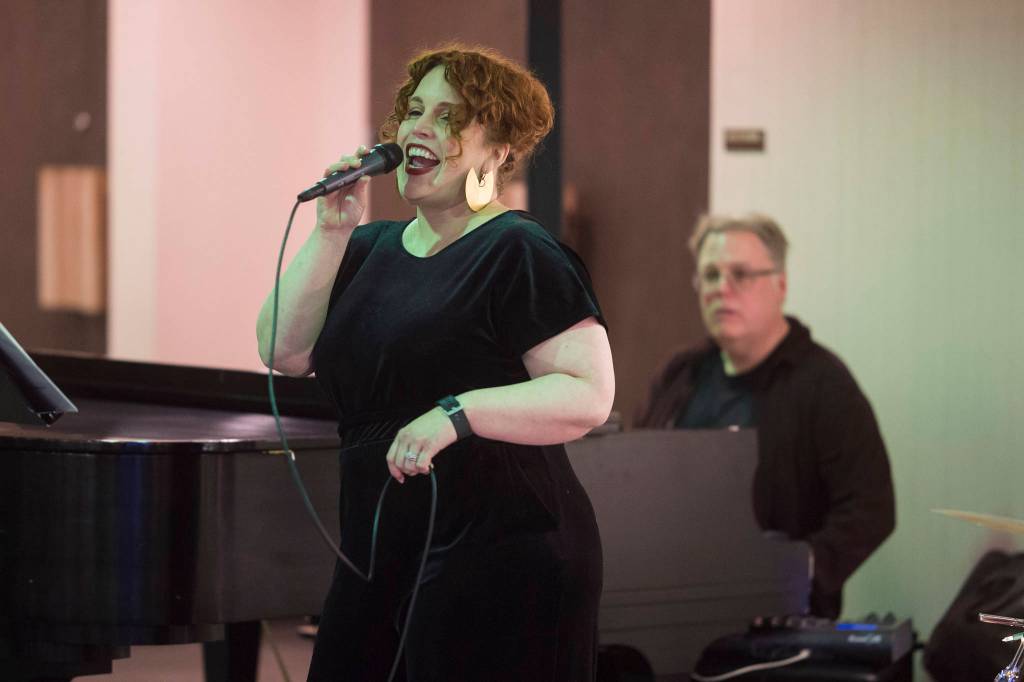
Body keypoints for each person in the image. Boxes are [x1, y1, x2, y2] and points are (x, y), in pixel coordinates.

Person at [257, 44, 614, 681]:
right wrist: (330, 232)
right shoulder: (366, 249)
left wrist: (457, 413)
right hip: (379, 541)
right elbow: (283, 351)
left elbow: (588, 394)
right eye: (414, 111)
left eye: (450, 118)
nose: (418, 129)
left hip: (501, 544)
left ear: (499, 150)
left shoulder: (518, 249)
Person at [636, 213, 894, 619]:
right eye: (711, 275)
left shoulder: (824, 384)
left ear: (781, 285)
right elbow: (641, 478)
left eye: (741, 274)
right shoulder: (679, 375)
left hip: (780, 621)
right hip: (676, 606)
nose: (723, 289)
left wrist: (796, 568)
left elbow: (871, 508)